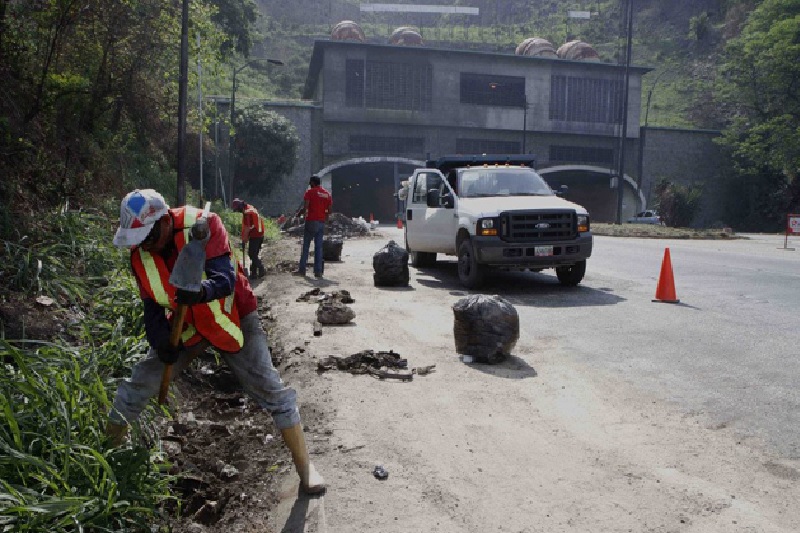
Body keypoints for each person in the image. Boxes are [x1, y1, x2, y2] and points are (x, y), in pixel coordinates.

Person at [107, 189, 325, 494]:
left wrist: (200, 291)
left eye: (148, 235)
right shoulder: (140, 256)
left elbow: (225, 280)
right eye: (139, 238)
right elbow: (152, 308)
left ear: (165, 220)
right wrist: (162, 343)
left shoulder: (203, 224)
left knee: (270, 387)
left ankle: (306, 470)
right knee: (137, 384)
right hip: (187, 326)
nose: (145, 244)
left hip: (233, 316)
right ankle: (111, 460)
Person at [293, 175, 332, 278]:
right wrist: (326, 222)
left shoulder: (310, 192)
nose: (310, 184)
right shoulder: (327, 194)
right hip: (321, 222)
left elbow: (305, 207)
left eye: (310, 183)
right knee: (318, 247)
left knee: (306, 246)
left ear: (313, 183)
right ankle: (318, 271)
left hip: (311, 221)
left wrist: (298, 214)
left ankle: (302, 270)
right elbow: (329, 210)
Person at [232, 198, 266, 279]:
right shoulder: (249, 207)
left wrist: (244, 240)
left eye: (237, 210)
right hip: (260, 234)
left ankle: (261, 268)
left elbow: (247, 228)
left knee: (252, 254)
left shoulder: (247, 213)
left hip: (255, 235)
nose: (238, 212)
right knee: (254, 254)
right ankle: (254, 273)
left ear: (240, 207)